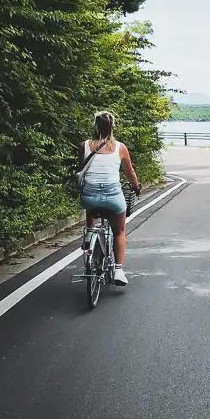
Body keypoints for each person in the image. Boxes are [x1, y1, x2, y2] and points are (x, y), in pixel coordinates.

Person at [79, 111, 141, 287]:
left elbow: (81, 171)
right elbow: (130, 173)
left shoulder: (84, 145)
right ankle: (119, 270)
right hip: (113, 198)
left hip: (90, 199)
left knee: (90, 196)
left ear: (95, 126)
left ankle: (90, 232)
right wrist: (136, 187)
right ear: (112, 127)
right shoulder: (120, 148)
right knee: (119, 231)